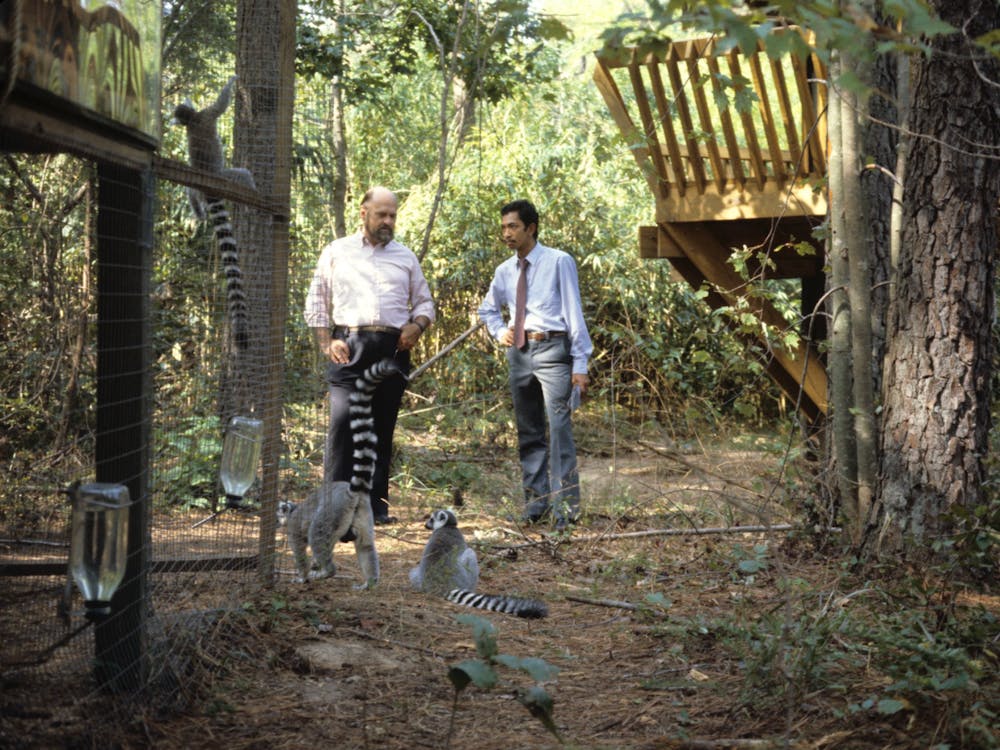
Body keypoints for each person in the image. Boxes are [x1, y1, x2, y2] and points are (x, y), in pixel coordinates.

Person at [304, 186, 435, 526]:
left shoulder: (405, 257)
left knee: (381, 428)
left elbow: (424, 302)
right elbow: (316, 301)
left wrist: (417, 327)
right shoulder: (337, 251)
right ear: (363, 213)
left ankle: (374, 509)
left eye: (392, 215)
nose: (388, 221)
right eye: (382, 214)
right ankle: (336, 511)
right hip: (349, 346)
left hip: (391, 349)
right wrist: (325, 343)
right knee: (343, 426)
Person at [477, 199, 592, 530]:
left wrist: (580, 363)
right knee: (528, 430)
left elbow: (573, 312)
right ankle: (535, 504)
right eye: (503, 228)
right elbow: (488, 309)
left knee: (558, 429)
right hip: (520, 353)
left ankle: (566, 509)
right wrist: (500, 331)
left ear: (531, 227)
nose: (506, 234)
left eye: (513, 226)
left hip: (553, 348)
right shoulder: (504, 271)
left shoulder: (558, 262)